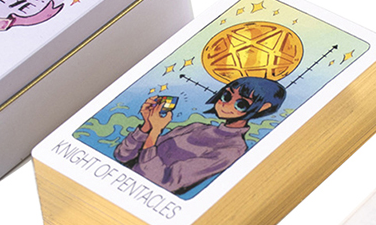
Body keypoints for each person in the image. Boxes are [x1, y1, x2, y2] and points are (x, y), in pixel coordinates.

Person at [114, 77, 286, 196]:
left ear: (262, 108)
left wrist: (155, 132)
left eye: (240, 104)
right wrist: (147, 126)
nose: (225, 104)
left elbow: (160, 181)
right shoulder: (196, 128)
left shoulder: (232, 149)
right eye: (226, 96)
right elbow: (123, 155)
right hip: (118, 184)